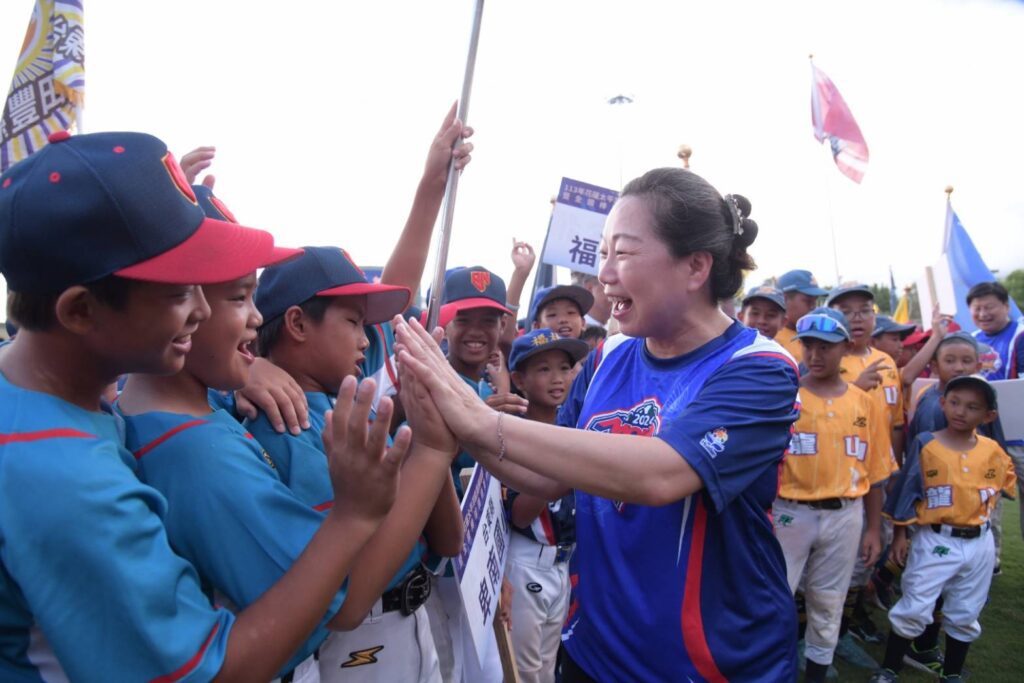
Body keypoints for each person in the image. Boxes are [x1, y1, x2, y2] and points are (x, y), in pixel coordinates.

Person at [0, 131, 402, 681]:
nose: (200, 310)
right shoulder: (67, 479)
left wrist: (248, 366)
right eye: (178, 292)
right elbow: (214, 673)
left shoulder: (40, 390)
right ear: (80, 312)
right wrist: (354, 517)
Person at [393, 167, 802, 681]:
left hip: (712, 662)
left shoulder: (758, 368)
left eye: (623, 253)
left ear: (696, 266)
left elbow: (660, 475)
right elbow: (548, 477)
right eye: (602, 253)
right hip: (594, 653)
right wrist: (444, 431)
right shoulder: (609, 355)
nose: (604, 274)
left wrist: (476, 419)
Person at [245, 246, 463, 682]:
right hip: (357, 645)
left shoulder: (357, 408)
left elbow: (449, 538)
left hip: (411, 618)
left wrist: (422, 425)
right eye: (353, 322)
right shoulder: (286, 425)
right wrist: (433, 449)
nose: (366, 340)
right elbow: (351, 596)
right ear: (297, 323)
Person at [870, 375, 1016, 683]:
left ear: (988, 415)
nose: (961, 411)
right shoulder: (928, 444)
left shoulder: (993, 450)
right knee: (916, 603)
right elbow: (907, 490)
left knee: (966, 609)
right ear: (942, 403)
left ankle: (951, 674)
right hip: (936, 537)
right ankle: (890, 668)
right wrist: (900, 534)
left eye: (972, 407)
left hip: (979, 540)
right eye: (955, 403)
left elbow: (1007, 483)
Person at [772, 309, 888, 683]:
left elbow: (875, 470)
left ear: (846, 348)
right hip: (790, 510)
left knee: (829, 599)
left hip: (844, 513)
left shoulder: (863, 401)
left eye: (826, 346)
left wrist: (873, 529)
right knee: (775, 596)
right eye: (809, 345)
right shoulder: (786, 396)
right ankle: (769, 670)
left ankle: (817, 672)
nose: (815, 355)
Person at [502, 329, 589, 683]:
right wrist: (563, 468)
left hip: (563, 563)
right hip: (527, 563)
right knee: (524, 669)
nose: (558, 378)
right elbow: (519, 514)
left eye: (565, 367)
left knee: (548, 664)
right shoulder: (512, 433)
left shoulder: (578, 427)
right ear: (519, 379)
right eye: (543, 369)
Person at [966, 281, 1024, 568]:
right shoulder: (972, 340)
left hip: (1019, 436)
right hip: (985, 439)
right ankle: (992, 560)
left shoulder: (1020, 334)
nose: (983, 313)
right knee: (989, 502)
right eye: (977, 308)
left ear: (1005, 305)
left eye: (989, 306)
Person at [776, 269, 829, 363]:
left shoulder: (824, 336)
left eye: (815, 301)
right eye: (808, 301)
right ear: (784, 299)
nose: (813, 307)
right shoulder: (771, 339)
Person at [528, 284, 594, 339]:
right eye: (552, 314)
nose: (563, 320)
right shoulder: (530, 354)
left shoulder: (597, 353)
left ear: (583, 323)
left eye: (570, 312)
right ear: (537, 327)